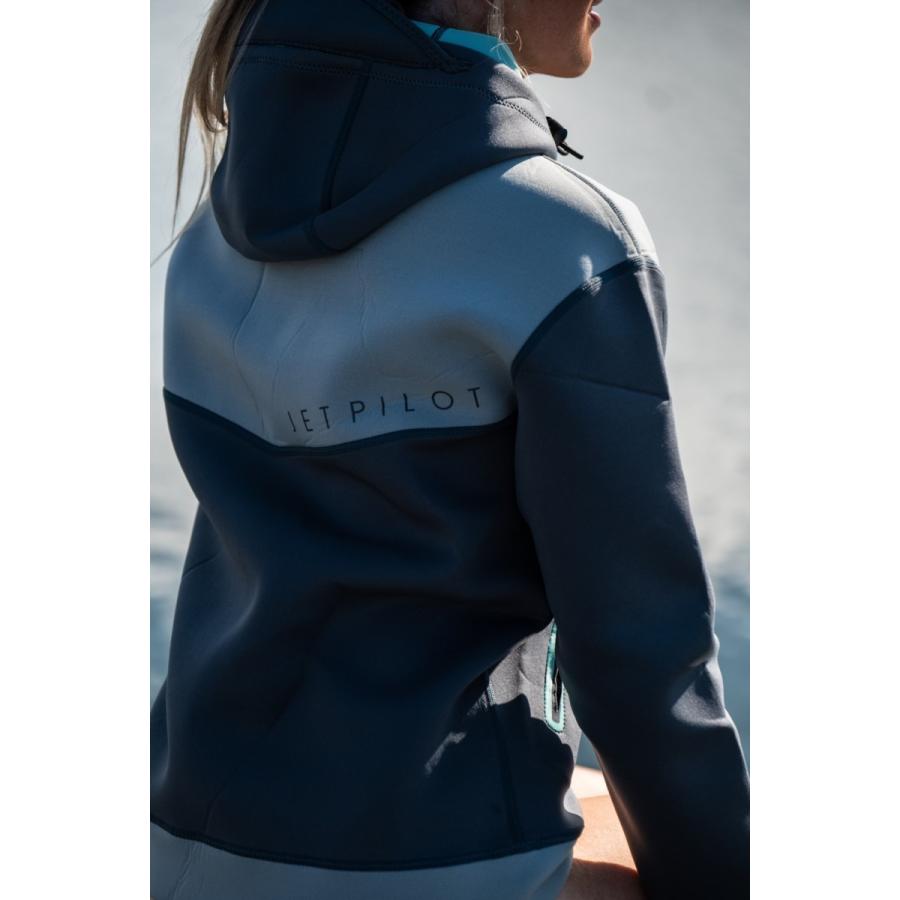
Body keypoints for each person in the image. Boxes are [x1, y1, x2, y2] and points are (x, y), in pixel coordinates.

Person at [150, 1, 751, 898]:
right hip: (428, 868)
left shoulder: (211, 233)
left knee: (587, 786)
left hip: (181, 835)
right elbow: (639, 659)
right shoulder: (568, 244)